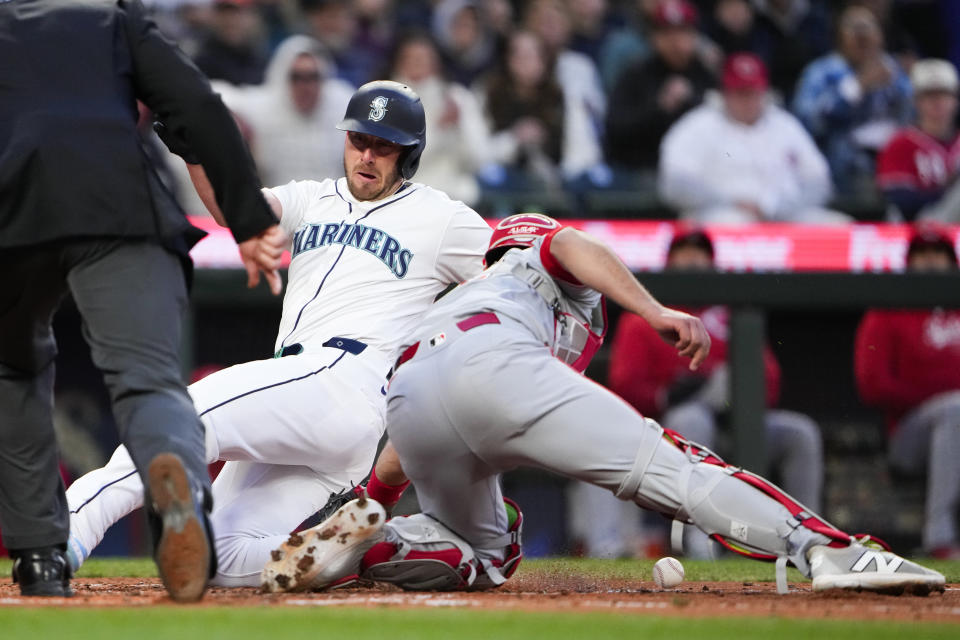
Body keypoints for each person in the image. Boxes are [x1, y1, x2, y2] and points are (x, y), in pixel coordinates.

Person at [262, 213, 944, 596]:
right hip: (495, 364)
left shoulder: (467, 291)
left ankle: (377, 546)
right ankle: (830, 552)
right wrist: (653, 308)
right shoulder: (538, 261)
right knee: (679, 469)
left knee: (484, 554)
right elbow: (567, 243)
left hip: (410, 390)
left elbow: (392, 464)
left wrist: (355, 511)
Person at [63, 81, 492, 587]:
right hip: (310, 405)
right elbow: (237, 213)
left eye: (385, 146)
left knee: (177, 415)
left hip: (347, 380)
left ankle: (62, 533)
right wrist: (200, 157)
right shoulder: (312, 197)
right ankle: (364, 548)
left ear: (409, 154)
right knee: (216, 559)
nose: (368, 155)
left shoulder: (442, 218)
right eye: (359, 140)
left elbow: (513, 268)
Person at [0, 0, 284, 600]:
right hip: (119, 202)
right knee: (149, 382)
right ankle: (176, 482)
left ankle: (40, 557)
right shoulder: (112, 21)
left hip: (12, 213)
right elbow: (198, 107)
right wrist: (250, 219)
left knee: (14, 372)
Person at [603, 229, 823, 557]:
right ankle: (700, 543)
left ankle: (809, 539)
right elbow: (625, 385)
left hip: (733, 423)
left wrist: (725, 389)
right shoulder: (647, 317)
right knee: (691, 417)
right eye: (684, 253)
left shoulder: (730, 313)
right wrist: (668, 394)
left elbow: (770, 381)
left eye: (699, 253)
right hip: (667, 432)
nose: (693, 260)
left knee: (800, 432)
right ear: (669, 262)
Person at [854, 226, 960, 558]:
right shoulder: (890, 309)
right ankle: (939, 538)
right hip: (910, 435)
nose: (930, 264)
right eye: (922, 257)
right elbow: (871, 383)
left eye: (938, 257)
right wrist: (939, 391)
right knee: (955, 407)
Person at [659, 53, 844, 224]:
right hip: (720, 214)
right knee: (730, 223)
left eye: (753, 92)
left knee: (839, 226)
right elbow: (675, 185)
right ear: (724, 92)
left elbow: (819, 181)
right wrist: (731, 202)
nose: (748, 100)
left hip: (785, 216)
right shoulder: (696, 125)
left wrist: (779, 208)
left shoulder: (785, 124)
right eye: (740, 92)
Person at [792, 5, 912, 196]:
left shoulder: (894, 71)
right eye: (854, 28)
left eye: (868, 27)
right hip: (846, 163)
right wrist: (855, 87)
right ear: (840, 37)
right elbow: (807, 123)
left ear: (880, 36)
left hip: (895, 160)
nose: (861, 35)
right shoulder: (822, 72)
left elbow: (916, 119)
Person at [213, 35, 355, 186]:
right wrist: (236, 120)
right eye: (296, 77)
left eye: (313, 77)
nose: (305, 86)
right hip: (281, 205)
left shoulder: (344, 103)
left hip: (335, 204)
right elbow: (214, 92)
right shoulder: (263, 106)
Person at [605, 0, 716, 172]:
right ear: (654, 38)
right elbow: (615, 131)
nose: (675, 42)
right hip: (643, 172)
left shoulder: (706, 76)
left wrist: (692, 100)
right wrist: (659, 108)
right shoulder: (636, 74)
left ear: (694, 37)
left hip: (699, 172)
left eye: (682, 32)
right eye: (667, 33)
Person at [388, 32, 491, 206]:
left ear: (436, 62)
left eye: (424, 58)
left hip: (458, 196)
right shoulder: (388, 99)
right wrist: (440, 128)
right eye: (411, 58)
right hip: (406, 197)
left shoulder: (458, 97)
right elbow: (396, 163)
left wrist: (459, 128)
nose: (418, 64)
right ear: (399, 62)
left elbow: (480, 159)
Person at [876, 59, 960, 223]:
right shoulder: (901, 142)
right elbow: (899, 200)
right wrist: (946, 188)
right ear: (915, 101)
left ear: (955, 99)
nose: (937, 102)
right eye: (929, 95)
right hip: (918, 226)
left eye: (943, 94)